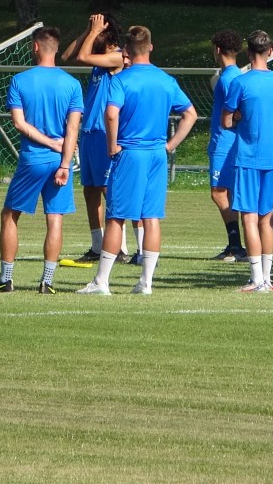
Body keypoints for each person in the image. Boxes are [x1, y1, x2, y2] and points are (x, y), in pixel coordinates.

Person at [77, 26, 197, 295]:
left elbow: (110, 114)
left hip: (130, 152)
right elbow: (190, 114)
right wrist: (171, 145)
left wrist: (111, 145)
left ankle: (101, 282)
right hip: (156, 154)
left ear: (127, 51)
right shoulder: (166, 80)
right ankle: (146, 282)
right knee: (151, 216)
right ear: (151, 47)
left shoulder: (122, 79)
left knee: (116, 216)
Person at [0, 27, 83, 294]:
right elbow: (73, 130)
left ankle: (6, 278)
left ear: (35, 47)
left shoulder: (20, 81)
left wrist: (49, 142)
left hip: (33, 159)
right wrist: (65, 162)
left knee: (9, 215)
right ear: (55, 48)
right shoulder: (72, 84)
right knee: (55, 218)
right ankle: (47, 281)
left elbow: (19, 124)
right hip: (60, 160)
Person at [65, 13, 139, 265]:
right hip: (89, 133)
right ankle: (98, 246)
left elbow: (81, 57)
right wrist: (88, 31)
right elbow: (66, 56)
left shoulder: (118, 57)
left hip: (106, 134)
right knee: (91, 191)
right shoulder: (98, 59)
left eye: (98, 31)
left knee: (112, 191)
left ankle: (122, 247)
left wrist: (95, 32)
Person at [222, 31, 273, 293]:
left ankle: (256, 277)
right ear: (270, 51)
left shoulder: (241, 82)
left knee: (249, 217)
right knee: (266, 219)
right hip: (272, 157)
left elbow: (226, 121)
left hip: (248, 157)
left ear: (249, 53)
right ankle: (267, 279)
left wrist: (238, 117)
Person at [206, 29, 246, 262]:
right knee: (225, 193)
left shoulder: (230, 78)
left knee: (219, 192)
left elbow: (241, 110)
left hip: (226, 141)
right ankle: (236, 245)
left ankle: (236, 245)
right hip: (223, 141)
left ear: (218, 49)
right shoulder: (230, 75)